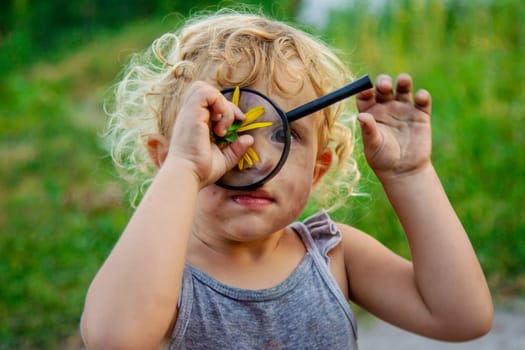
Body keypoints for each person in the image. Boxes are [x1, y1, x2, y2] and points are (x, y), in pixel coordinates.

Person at [80, 10, 493, 349]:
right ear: (165, 157)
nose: (253, 159)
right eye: (219, 131)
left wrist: (411, 175)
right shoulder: (160, 275)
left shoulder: (332, 254)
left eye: (285, 134)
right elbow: (113, 338)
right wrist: (186, 170)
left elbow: (462, 317)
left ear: (318, 168)